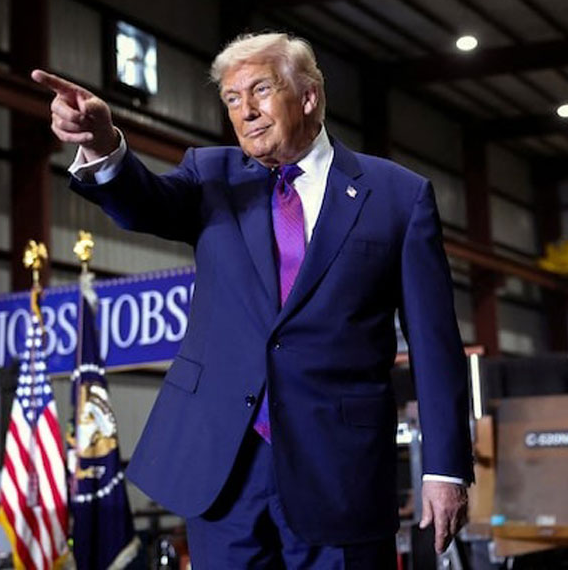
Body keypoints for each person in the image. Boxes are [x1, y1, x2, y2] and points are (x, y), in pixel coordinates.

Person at [33, 32, 473, 568]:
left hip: (339, 471)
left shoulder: (399, 196)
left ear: (309, 96)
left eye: (260, 91)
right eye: (233, 100)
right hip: (223, 470)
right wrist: (103, 146)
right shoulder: (212, 175)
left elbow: (435, 345)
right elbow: (145, 202)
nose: (246, 112)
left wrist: (445, 468)